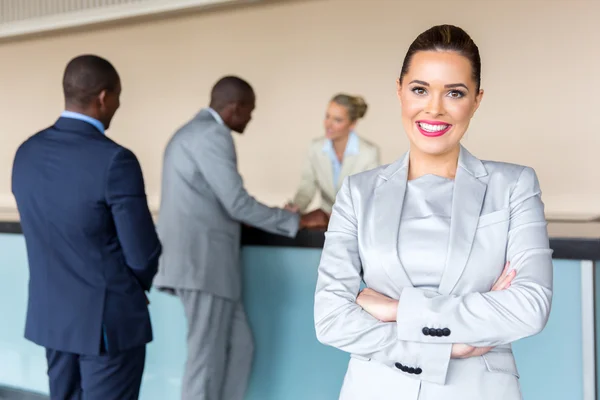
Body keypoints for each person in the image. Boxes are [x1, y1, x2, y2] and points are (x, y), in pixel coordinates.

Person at [314, 25, 553, 400]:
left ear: (476, 100)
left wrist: (395, 309)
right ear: (400, 91)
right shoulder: (358, 193)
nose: (434, 108)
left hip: (479, 389)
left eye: (454, 93)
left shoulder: (514, 186)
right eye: (420, 89)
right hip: (375, 389)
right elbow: (330, 319)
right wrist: (445, 350)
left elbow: (529, 307)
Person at [153, 76, 328, 400]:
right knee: (204, 361)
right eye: (250, 110)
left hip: (207, 268)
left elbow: (218, 202)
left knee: (240, 348)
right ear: (235, 107)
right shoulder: (212, 134)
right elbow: (236, 202)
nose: (250, 117)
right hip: (203, 266)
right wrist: (300, 219)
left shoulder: (193, 132)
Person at [11, 55, 161, 399]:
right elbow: (142, 253)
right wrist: (136, 283)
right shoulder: (115, 160)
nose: (119, 105)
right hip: (106, 323)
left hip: (53, 318)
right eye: (119, 96)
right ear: (104, 97)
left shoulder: (26, 153)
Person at [290, 94, 380, 214]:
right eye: (327, 117)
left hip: (355, 221)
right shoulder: (315, 148)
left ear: (352, 124)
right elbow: (307, 186)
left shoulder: (368, 153)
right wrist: (296, 206)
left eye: (337, 120)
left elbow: (370, 196)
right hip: (325, 221)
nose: (328, 124)